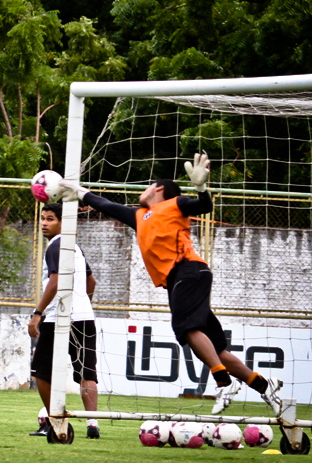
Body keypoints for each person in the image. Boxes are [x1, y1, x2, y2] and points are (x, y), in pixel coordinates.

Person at [59, 152, 283, 416]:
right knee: (215, 348)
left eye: (147, 186)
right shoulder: (140, 216)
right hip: (182, 278)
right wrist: (79, 191)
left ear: (158, 188)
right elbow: (106, 204)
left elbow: (204, 206)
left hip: (189, 271)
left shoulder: (175, 204)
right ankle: (265, 386)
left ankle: (223, 382)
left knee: (186, 328)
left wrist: (201, 188)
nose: (142, 191)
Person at [28, 203, 101, 439]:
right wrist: (84, 304)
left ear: (62, 223)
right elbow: (91, 282)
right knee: (86, 373)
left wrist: (38, 312)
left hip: (59, 318)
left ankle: (55, 421)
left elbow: (56, 281)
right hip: (85, 318)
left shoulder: (56, 244)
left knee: (40, 371)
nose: (44, 223)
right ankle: (93, 424)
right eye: (43, 219)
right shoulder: (76, 249)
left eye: (50, 219)